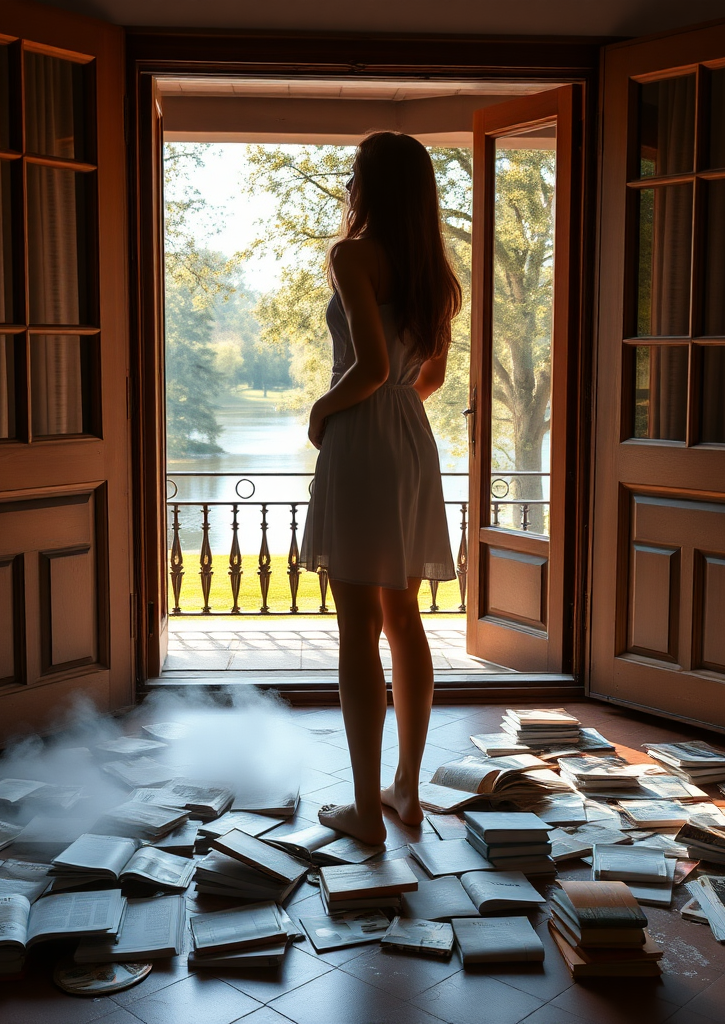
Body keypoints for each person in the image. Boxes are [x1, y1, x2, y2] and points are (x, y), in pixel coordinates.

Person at [299, 132, 462, 845]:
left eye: (354, 175)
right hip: (410, 438)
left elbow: (365, 366)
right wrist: (399, 407)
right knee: (405, 620)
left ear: (367, 184)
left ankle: (365, 810)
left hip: (365, 436)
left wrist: (322, 410)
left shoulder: (352, 255)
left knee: (358, 628)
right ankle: (406, 792)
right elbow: (429, 378)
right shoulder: (433, 270)